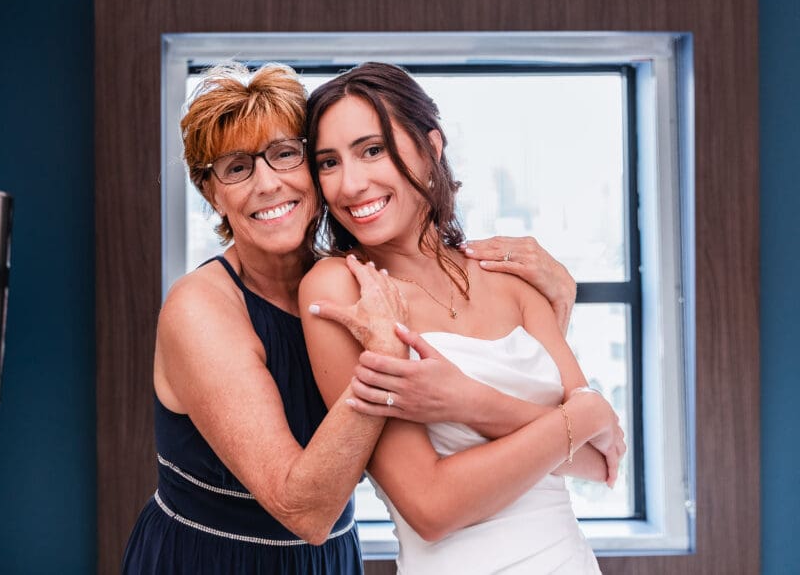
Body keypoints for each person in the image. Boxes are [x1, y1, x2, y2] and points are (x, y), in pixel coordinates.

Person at [122, 62, 585, 574]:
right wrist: (384, 354)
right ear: (213, 194)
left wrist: (557, 304)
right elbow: (305, 511)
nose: (268, 184)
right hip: (211, 560)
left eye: (285, 155)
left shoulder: (356, 286)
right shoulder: (201, 309)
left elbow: (479, 417)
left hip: (331, 559)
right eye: (236, 168)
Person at [300, 62, 626, 574]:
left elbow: (599, 461)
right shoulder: (341, 289)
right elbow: (432, 507)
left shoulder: (508, 275)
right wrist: (583, 415)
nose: (351, 184)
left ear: (431, 146)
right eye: (328, 163)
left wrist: (469, 401)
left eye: (372, 150)